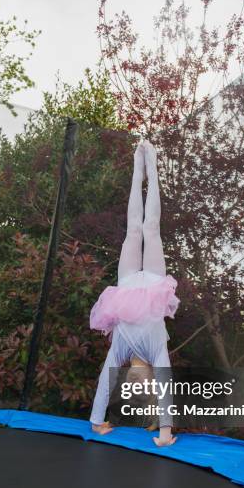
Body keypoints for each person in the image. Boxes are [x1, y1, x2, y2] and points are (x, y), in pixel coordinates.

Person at [89, 140, 179, 447]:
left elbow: (104, 381)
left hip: (126, 285)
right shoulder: (157, 352)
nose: (133, 385)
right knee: (150, 227)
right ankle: (150, 164)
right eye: (142, 389)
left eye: (130, 389)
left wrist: (98, 421)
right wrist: (165, 432)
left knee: (133, 230)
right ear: (151, 381)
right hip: (153, 283)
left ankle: (137, 167)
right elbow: (166, 386)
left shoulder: (121, 351)